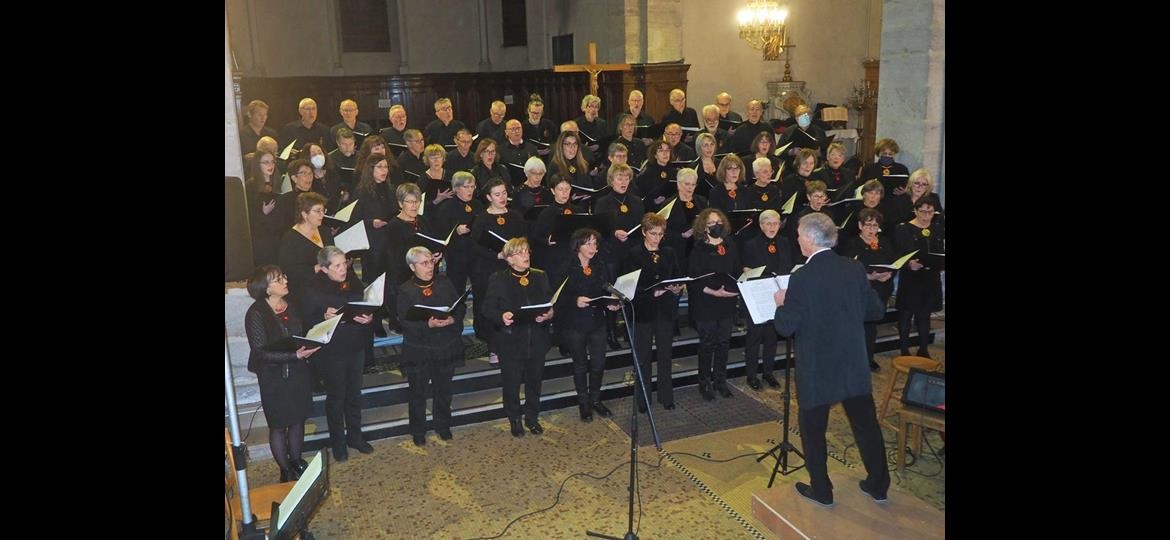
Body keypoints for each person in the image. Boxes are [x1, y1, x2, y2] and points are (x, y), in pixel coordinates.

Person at [772, 212, 889, 508]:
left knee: (813, 431)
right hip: (852, 363)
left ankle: (822, 490)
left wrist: (781, 304)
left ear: (810, 239)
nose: (797, 239)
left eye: (799, 234)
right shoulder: (853, 268)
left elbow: (786, 327)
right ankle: (878, 484)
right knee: (866, 426)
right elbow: (875, 311)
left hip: (817, 369)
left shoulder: (801, 278)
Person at [301, 246, 377, 462]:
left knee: (354, 394)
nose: (343, 269)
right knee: (336, 397)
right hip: (333, 350)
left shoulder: (352, 281)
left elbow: (367, 304)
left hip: (355, 344)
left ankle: (355, 436)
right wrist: (322, 316)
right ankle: (338, 443)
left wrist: (370, 318)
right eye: (337, 266)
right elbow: (306, 320)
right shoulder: (312, 287)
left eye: (345, 263)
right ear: (324, 268)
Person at [244, 265, 319, 481]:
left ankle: (296, 460)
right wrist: (294, 356)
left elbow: (301, 333)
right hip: (273, 377)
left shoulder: (291, 304)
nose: (285, 280)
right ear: (266, 289)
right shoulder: (256, 313)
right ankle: (285, 469)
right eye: (278, 279)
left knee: (298, 419)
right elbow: (260, 353)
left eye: (283, 276)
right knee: (278, 425)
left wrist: (311, 342)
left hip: (298, 373)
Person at [483, 238, 555, 437]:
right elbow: (487, 308)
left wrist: (550, 314)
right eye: (520, 253)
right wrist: (501, 316)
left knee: (534, 382)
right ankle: (514, 418)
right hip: (511, 340)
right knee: (512, 383)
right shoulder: (499, 278)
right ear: (509, 259)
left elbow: (550, 304)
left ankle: (532, 417)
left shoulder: (540, 276)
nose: (526, 256)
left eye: (527, 251)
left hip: (537, 339)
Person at [396, 246, 466, 446]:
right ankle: (418, 430)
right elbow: (404, 321)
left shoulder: (444, 283)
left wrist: (453, 319)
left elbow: (459, 307)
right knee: (418, 392)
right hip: (419, 349)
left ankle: (443, 425)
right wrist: (427, 324)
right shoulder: (405, 290)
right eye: (424, 263)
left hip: (446, 344)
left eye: (431, 262)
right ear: (412, 267)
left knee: (444, 390)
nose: (429, 267)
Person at [620, 213, 684, 411]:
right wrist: (650, 293)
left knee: (665, 355)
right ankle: (643, 400)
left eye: (660, 234)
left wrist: (677, 288)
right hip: (642, 311)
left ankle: (666, 397)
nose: (657, 238)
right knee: (643, 357)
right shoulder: (633, 253)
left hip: (665, 310)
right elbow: (627, 287)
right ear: (643, 232)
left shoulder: (669, 252)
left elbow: (677, 276)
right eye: (653, 234)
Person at [556, 229, 620, 422]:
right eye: (588, 244)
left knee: (599, 363)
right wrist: (575, 300)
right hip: (574, 322)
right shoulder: (566, 266)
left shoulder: (599, 265)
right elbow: (557, 296)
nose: (593, 248)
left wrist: (610, 301)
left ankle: (595, 399)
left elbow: (604, 288)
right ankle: (583, 403)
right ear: (578, 246)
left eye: (595, 244)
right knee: (581, 364)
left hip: (596, 321)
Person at [688, 208, 741, 400]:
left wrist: (734, 290)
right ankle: (704, 383)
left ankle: (720, 381)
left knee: (724, 343)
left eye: (718, 221)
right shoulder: (699, 247)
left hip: (727, 300)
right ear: (704, 226)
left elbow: (736, 270)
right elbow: (693, 278)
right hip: (706, 302)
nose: (716, 225)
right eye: (711, 223)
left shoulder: (730, 244)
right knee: (707, 344)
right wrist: (714, 291)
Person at [740, 210, 793, 389]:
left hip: (778, 295)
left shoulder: (785, 243)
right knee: (755, 336)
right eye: (768, 224)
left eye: (776, 223)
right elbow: (747, 269)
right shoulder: (751, 245)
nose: (772, 227)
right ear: (761, 225)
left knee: (772, 337)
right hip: (759, 295)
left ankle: (768, 372)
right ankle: (752, 375)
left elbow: (788, 266)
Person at [840, 208, 895, 371]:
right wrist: (868, 277)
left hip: (880, 289)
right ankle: (852, 358)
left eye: (875, 226)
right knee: (856, 327)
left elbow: (893, 262)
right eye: (868, 225)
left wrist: (889, 274)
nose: (872, 229)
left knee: (872, 327)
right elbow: (848, 269)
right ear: (860, 225)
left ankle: (869, 358)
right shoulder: (852, 244)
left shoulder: (884, 243)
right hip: (859, 290)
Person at [893, 196, 945, 358]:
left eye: (930, 212)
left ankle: (923, 349)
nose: (926, 215)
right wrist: (908, 264)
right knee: (906, 313)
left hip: (930, 276)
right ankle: (904, 349)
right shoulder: (904, 229)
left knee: (925, 314)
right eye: (922, 211)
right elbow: (898, 253)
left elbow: (939, 250)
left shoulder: (937, 229)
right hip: (911, 277)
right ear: (915, 211)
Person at [278, 192, 333, 301]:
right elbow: (288, 270)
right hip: (304, 290)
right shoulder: (290, 238)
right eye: (318, 211)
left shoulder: (325, 231)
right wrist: (315, 268)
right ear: (304, 214)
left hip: (327, 284)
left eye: (323, 211)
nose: (322, 215)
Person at [246, 150, 282, 267]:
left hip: (277, 235)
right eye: (266, 162)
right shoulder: (251, 185)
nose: (270, 165)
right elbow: (248, 216)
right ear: (258, 164)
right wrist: (263, 213)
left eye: (272, 162)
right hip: (261, 238)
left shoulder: (277, 182)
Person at [498, 119, 538, 188]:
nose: (517, 131)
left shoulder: (532, 148)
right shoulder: (500, 150)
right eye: (513, 129)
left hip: (530, 185)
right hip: (510, 187)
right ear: (506, 132)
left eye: (518, 128)